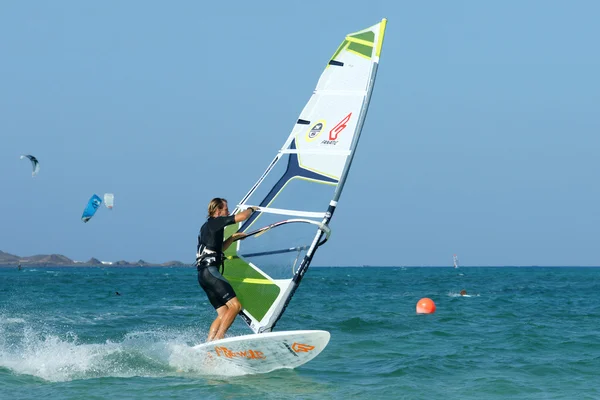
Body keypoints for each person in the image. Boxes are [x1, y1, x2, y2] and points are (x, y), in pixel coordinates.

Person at [196, 198, 258, 342]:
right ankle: (219, 338)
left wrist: (232, 238)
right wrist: (252, 209)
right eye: (226, 210)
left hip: (203, 275)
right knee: (235, 306)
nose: (228, 213)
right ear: (218, 211)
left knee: (223, 313)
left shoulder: (206, 227)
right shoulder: (217, 221)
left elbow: (218, 249)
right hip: (211, 272)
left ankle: (209, 344)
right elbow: (242, 216)